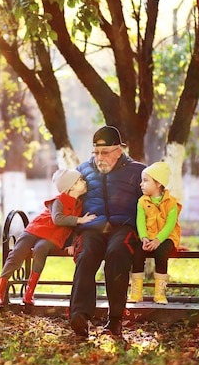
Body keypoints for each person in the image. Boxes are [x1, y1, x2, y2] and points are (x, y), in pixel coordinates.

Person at [69, 126, 145, 338]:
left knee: (117, 253)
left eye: (104, 153)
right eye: (96, 153)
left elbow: (156, 204)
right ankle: (79, 316)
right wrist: (69, 236)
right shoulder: (82, 171)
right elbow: (68, 204)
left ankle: (115, 319)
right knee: (85, 255)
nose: (99, 158)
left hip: (124, 227)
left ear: (118, 151)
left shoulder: (138, 172)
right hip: (91, 228)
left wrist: (162, 236)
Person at [0, 168, 96, 310]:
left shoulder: (79, 205)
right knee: (16, 255)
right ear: (72, 186)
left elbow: (75, 229)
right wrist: (80, 220)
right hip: (36, 230)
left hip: (53, 238)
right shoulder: (59, 201)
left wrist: (72, 243)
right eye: (80, 180)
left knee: (41, 249)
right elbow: (58, 219)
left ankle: (29, 293)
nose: (84, 182)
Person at [128, 161, 182, 305]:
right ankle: (136, 292)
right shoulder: (142, 201)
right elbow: (140, 222)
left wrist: (158, 240)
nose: (141, 184)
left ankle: (160, 293)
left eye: (145, 180)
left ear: (158, 183)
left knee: (161, 252)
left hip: (167, 237)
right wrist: (144, 238)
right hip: (148, 235)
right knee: (138, 252)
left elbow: (170, 225)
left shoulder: (171, 202)